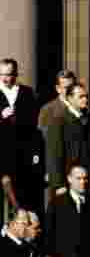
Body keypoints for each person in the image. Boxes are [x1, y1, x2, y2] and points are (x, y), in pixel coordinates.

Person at [45, 85, 90, 203]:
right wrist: (58, 184)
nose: (85, 99)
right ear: (70, 99)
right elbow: (53, 154)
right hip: (69, 180)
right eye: (81, 96)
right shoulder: (59, 121)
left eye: (86, 96)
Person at [0, 59, 41, 213]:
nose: (5, 78)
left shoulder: (27, 93)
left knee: (22, 198)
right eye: (2, 74)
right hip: (2, 153)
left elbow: (33, 122)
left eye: (9, 74)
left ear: (16, 74)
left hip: (22, 155)